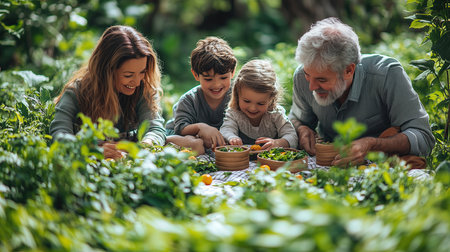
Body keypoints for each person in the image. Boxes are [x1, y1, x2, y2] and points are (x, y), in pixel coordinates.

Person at [288, 17, 435, 168]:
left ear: (348, 70)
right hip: (330, 165)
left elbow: (424, 138)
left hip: (384, 166)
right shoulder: (301, 76)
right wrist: (301, 128)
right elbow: (294, 120)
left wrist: (372, 144)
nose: (311, 86)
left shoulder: (387, 75)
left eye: (322, 80)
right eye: (307, 75)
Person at [50, 25, 166, 159]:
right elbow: (59, 135)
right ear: (107, 72)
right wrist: (92, 150)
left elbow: (155, 129)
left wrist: (145, 146)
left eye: (142, 72)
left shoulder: (144, 89)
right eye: (128, 75)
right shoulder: (76, 92)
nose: (137, 82)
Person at [165, 36, 237, 155]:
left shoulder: (237, 95)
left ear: (233, 72)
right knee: (194, 143)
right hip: (180, 135)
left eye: (223, 78)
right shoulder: (189, 99)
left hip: (212, 141)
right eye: (208, 79)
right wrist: (200, 127)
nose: (216, 84)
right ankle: (165, 140)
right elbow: (180, 128)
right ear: (196, 75)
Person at [220, 59, 298, 149]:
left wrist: (279, 143)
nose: (253, 108)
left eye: (261, 103)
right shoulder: (234, 113)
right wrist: (232, 137)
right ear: (237, 94)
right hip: (243, 160)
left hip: (270, 160)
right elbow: (226, 130)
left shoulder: (275, 114)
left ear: (271, 98)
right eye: (247, 101)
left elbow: (292, 136)